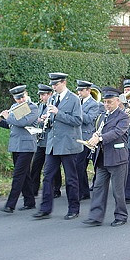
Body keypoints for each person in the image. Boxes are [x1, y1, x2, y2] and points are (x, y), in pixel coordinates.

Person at [33, 72, 83, 220]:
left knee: (71, 179)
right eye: (52, 85)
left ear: (64, 83)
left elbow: (77, 121)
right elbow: (54, 122)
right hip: (53, 144)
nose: (54, 87)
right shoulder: (53, 98)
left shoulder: (74, 99)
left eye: (56, 84)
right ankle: (45, 208)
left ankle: (74, 208)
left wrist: (58, 113)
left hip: (68, 145)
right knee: (47, 177)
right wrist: (46, 119)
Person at [82, 87, 130, 227]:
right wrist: (94, 136)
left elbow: (117, 132)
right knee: (98, 188)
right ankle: (95, 216)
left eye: (110, 102)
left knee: (118, 190)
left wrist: (100, 138)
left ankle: (121, 216)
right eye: (105, 102)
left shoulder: (123, 116)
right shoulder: (103, 115)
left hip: (117, 158)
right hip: (102, 157)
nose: (107, 105)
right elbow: (97, 129)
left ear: (117, 101)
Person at [0, 85, 39, 213]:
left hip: (27, 145)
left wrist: (7, 116)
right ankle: (30, 201)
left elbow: (22, 122)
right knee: (25, 175)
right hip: (16, 145)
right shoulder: (14, 108)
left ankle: (10, 204)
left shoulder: (32, 107)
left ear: (26, 94)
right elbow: (12, 125)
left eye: (22, 97)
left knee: (18, 175)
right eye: (17, 98)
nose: (20, 100)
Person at [30, 84, 62, 197]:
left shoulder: (54, 105)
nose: (41, 97)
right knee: (36, 165)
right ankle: (33, 190)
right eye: (41, 95)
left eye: (43, 95)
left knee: (53, 167)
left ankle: (56, 189)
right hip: (41, 140)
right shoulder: (40, 106)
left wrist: (45, 121)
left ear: (50, 94)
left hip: (51, 139)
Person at [75, 80, 99, 200]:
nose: (79, 92)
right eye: (78, 90)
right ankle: (84, 191)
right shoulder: (78, 101)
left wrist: (76, 111)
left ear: (88, 91)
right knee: (78, 166)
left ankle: (81, 192)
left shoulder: (94, 104)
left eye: (81, 90)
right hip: (77, 137)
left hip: (86, 138)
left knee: (79, 165)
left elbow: (89, 119)